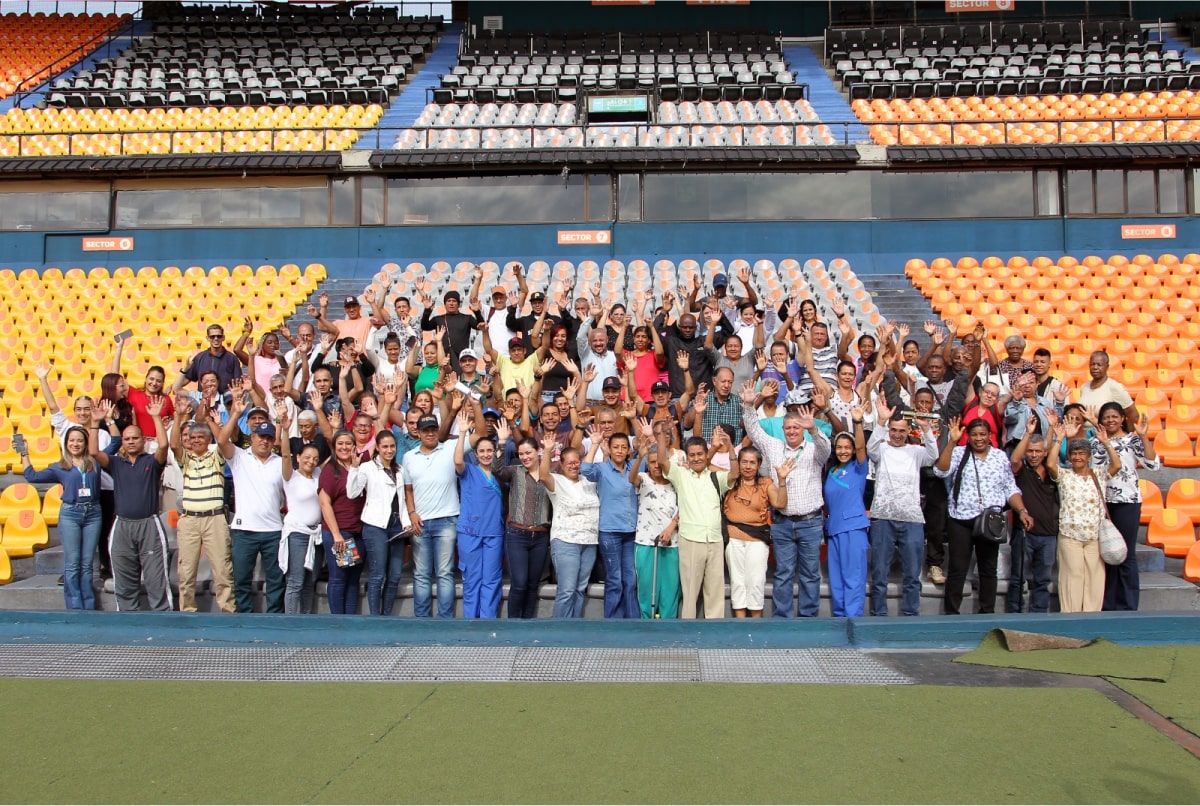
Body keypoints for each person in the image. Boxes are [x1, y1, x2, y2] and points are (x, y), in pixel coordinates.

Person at [739, 382, 831, 618]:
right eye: (788, 427)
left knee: (811, 573)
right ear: (783, 428)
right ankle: (782, 618)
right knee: (783, 572)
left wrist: (813, 429)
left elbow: (826, 449)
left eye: (796, 427)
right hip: (782, 522)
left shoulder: (812, 449)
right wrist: (749, 405)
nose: (791, 431)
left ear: (802, 429)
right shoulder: (774, 446)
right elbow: (754, 430)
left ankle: (808, 618)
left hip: (809, 522)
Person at [934, 417, 1035, 615]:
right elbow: (940, 471)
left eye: (982, 434)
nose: (978, 438)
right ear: (968, 436)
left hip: (990, 521)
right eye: (974, 435)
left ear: (990, 436)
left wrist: (1022, 510)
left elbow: (1010, 488)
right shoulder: (959, 452)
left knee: (988, 569)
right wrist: (953, 441)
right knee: (958, 569)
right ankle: (951, 614)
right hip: (961, 519)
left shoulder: (999, 457)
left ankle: (986, 613)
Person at [88, 397, 172, 612]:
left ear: (143, 440)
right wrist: (95, 424)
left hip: (149, 526)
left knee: (156, 582)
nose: (131, 441)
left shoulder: (152, 462)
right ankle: (127, 625)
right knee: (124, 584)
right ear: (122, 442)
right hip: (122, 526)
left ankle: (165, 623)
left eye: (135, 438)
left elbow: (164, 445)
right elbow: (94, 453)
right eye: (126, 439)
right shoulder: (116, 463)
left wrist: (154, 416)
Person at [867, 399, 938, 617]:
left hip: (912, 518)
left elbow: (933, 456)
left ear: (908, 431)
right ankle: (879, 615)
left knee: (912, 575)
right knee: (879, 574)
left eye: (901, 431)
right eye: (893, 430)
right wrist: (881, 421)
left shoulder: (916, 452)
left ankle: (910, 614)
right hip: (883, 517)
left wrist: (926, 430)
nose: (897, 434)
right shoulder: (882, 449)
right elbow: (869, 448)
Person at [217, 393, 286, 614]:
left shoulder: (280, 462)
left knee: (276, 580)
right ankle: (244, 621)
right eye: (260, 436)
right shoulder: (239, 457)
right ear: (252, 436)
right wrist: (235, 413)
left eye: (268, 437)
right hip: (244, 530)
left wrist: (283, 426)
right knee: (241, 579)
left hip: (273, 530)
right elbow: (221, 440)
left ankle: (274, 619)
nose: (264, 440)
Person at [19, 425, 100, 610]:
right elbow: (31, 476)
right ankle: (74, 607)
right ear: (66, 443)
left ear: (86, 443)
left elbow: (115, 444)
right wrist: (24, 453)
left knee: (87, 564)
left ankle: (89, 607)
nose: (75, 444)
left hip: (93, 514)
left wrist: (102, 422)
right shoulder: (60, 467)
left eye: (80, 440)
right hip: (71, 513)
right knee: (72, 563)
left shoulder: (95, 462)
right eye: (72, 440)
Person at [1089, 402, 1159, 611]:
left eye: (1114, 417)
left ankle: (1128, 604)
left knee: (1126, 553)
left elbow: (1152, 464)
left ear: (1122, 418)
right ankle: (1109, 604)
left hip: (1127, 501)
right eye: (1106, 417)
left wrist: (1144, 437)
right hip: (1103, 502)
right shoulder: (1095, 442)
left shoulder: (1132, 440)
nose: (1110, 421)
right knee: (1108, 552)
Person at [1046, 423, 1121, 613]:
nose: (1078, 457)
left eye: (1081, 453)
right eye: (1074, 454)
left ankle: (1092, 617)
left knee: (1095, 579)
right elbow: (1050, 464)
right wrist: (1060, 439)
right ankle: (1070, 617)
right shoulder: (1065, 475)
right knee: (1073, 577)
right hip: (1070, 535)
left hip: (1094, 537)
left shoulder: (1099, 474)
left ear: (1088, 457)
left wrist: (1106, 443)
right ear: (1070, 457)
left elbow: (1117, 465)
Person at [169, 407, 235, 614]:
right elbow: (173, 444)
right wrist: (179, 417)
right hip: (189, 519)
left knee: (223, 570)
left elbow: (223, 440)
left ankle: (228, 611)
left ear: (208, 439)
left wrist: (211, 422)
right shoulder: (186, 458)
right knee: (186, 571)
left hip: (214, 518)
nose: (196, 440)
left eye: (200, 437)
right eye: (192, 437)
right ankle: (187, 611)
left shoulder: (216, 455)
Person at [657, 430, 725, 619]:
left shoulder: (715, 476)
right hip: (691, 538)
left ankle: (715, 632)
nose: (696, 458)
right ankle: (688, 631)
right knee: (690, 592)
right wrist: (662, 437)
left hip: (714, 538)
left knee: (715, 592)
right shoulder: (681, 474)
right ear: (686, 457)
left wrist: (719, 449)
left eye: (700, 454)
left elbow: (733, 474)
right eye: (692, 455)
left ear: (707, 454)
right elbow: (662, 462)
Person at [720, 446, 792, 617]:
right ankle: (741, 622)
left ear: (759, 464)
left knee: (756, 581)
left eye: (752, 462)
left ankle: (756, 623)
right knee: (737, 581)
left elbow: (780, 504)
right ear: (738, 463)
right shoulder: (730, 481)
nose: (748, 466)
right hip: (734, 539)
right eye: (744, 462)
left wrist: (782, 480)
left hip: (757, 540)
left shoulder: (765, 483)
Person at [402, 412, 460, 618]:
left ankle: (445, 621)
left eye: (433, 429)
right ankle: (421, 622)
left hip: (447, 520)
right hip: (421, 522)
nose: (430, 433)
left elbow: (478, 433)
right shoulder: (408, 457)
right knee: (421, 574)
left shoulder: (450, 448)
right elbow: (408, 490)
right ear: (418, 432)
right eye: (425, 430)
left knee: (444, 573)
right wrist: (411, 513)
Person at [349, 430, 412, 616]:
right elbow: (352, 493)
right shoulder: (367, 467)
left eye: (392, 446)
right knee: (377, 575)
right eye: (385, 446)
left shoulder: (399, 470)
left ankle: (387, 615)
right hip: (375, 526)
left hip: (396, 527)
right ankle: (375, 618)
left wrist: (406, 523)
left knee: (394, 576)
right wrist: (353, 468)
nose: (389, 450)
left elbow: (402, 502)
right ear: (377, 447)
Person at [453, 408, 506, 619]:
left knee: (491, 579)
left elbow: (500, 461)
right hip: (470, 533)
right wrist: (463, 433)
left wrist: (502, 441)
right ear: (476, 454)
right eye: (481, 451)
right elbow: (457, 460)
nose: (485, 454)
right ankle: (470, 622)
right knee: (472, 578)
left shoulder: (500, 473)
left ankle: (488, 621)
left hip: (493, 533)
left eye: (489, 451)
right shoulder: (469, 471)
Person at [581, 430, 639, 618]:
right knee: (615, 579)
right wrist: (595, 444)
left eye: (624, 447)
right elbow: (585, 469)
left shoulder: (634, 466)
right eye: (616, 447)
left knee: (630, 579)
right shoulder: (603, 468)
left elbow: (652, 458)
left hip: (631, 531)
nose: (620, 451)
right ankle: (613, 621)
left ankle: (632, 620)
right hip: (610, 531)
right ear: (610, 449)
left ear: (629, 450)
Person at [541, 438, 601, 618]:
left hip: (589, 543)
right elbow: (543, 475)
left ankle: (575, 629)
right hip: (566, 542)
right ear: (561, 464)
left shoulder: (588, 481)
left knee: (580, 589)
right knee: (567, 590)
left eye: (577, 462)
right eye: (569, 462)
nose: (574, 466)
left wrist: (596, 445)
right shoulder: (556, 481)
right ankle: (560, 632)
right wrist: (548, 450)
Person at [495, 436, 552, 619]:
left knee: (532, 584)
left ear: (537, 452)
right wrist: (502, 443)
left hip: (541, 535)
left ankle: (527, 624)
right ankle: (514, 624)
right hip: (517, 534)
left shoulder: (549, 474)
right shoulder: (515, 471)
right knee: (519, 583)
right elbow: (496, 469)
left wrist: (549, 450)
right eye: (521, 454)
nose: (525, 457)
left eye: (528, 453)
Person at [629, 422, 680, 618]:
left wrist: (671, 528)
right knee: (647, 591)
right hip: (646, 542)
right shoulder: (643, 478)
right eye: (651, 462)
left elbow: (683, 509)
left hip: (671, 543)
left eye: (658, 461)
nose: (656, 466)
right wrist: (640, 457)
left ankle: (668, 630)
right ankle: (646, 627)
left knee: (669, 591)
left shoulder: (675, 482)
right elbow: (631, 479)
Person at [1008, 423, 1060, 614]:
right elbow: (1014, 459)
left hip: (1048, 535)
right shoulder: (1022, 470)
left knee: (1043, 580)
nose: (1034, 455)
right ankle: (1015, 613)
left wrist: (1054, 432)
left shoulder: (1053, 473)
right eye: (1030, 451)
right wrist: (1028, 434)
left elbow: (1052, 453)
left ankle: (1039, 614)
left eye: (1038, 451)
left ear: (1045, 453)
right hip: (1024, 533)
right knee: (1017, 577)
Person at [823, 411, 869, 617]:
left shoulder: (858, 468)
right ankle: (841, 620)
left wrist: (857, 422)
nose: (843, 451)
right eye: (839, 447)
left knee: (853, 578)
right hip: (834, 531)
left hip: (853, 529)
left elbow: (861, 447)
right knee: (837, 580)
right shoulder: (831, 471)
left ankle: (853, 621)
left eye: (847, 447)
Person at [319, 430, 365, 614]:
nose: (344, 447)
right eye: (340, 444)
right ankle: (338, 621)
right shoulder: (330, 470)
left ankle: (350, 619)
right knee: (339, 577)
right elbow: (324, 502)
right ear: (334, 446)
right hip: (340, 533)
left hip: (358, 532)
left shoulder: (360, 467)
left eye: (348, 443)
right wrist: (337, 534)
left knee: (354, 579)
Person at [279, 423, 323, 615]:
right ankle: (290, 622)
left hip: (316, 535)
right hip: (297, 533)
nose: (311, 462)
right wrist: (286, 429)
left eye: (315, 459)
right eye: (307, 458)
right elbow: (285, 455)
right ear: (298, 457)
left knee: (309, 581)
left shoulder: (319, 474)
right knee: (295, 581)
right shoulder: (291, 476)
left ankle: (306, 620)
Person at [1077, 350, 1138, 430]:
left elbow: (1133, 416)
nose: (1095, 367)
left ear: (1107, 367)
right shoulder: (1084, 387)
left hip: (1104, 437)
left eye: (1099, 365)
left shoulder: (1115, 387)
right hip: (1084, 436)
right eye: (1092, 364)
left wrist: (1123, 436)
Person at [180, 323, 243, 394]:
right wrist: (172, 385)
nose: (216, 339)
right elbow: (187, 378)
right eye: (212, 336)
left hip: (224, 401)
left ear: (223, 338)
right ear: (207, 338)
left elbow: (238, 383)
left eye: (219, 336)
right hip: (204, 399)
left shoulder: (232, 358)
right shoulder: (200, 357)